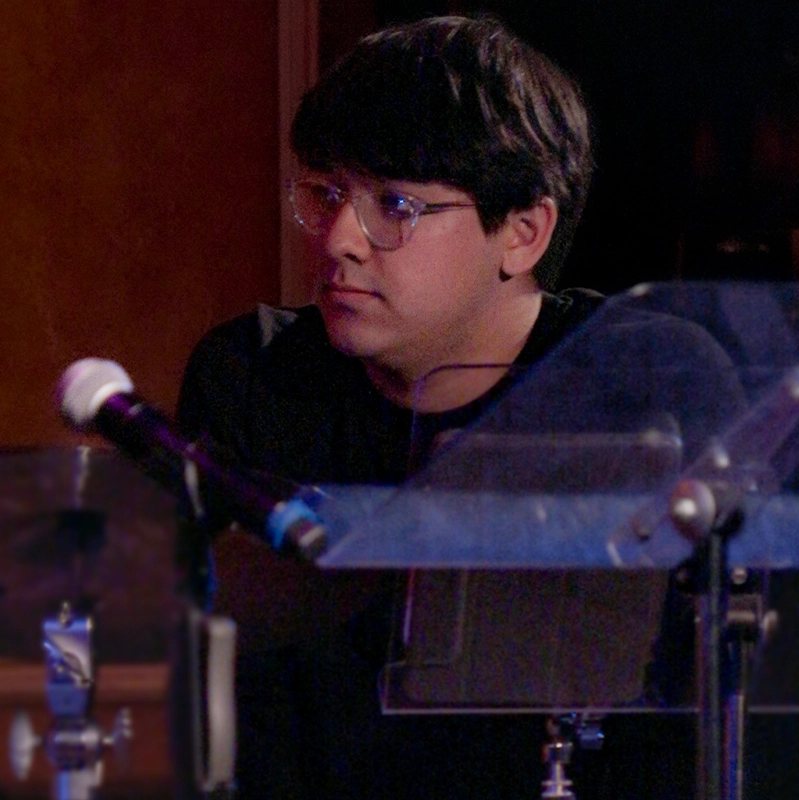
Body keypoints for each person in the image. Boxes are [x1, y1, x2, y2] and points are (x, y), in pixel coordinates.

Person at [177, 14, 742, 800]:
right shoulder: (251, 377)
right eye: (329, 192)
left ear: (522, 232)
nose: (340, 237)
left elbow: (699, 720)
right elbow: (230, 717)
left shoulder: (649, 382)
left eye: (395, 206)